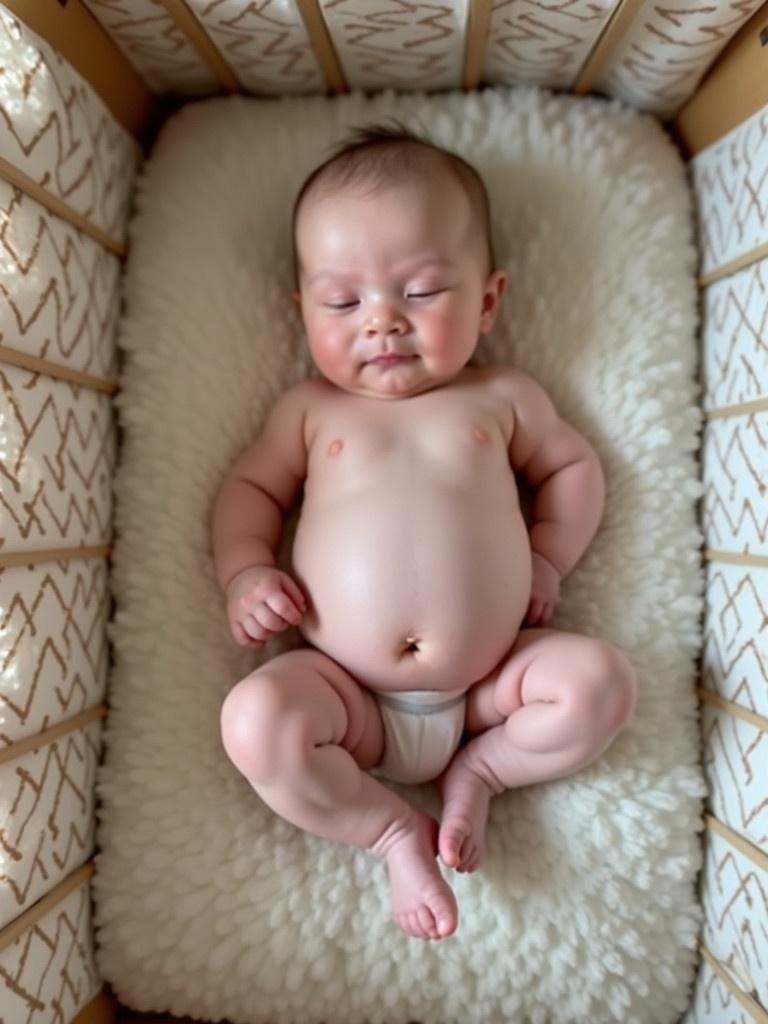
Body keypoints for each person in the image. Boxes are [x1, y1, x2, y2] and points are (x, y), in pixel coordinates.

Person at [212, 125, 637, 942]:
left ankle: (481, 772)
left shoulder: (501, 395)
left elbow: (573, 470)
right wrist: (244, 572)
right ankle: (388, 830)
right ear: (301, 311)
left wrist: (549, 557)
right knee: (256, 721)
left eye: (420, 292)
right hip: (347, 694)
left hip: (491, 689)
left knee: (601, 685)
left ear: (486, 300)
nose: (382, 323)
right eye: (343, 302)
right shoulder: (311, 411)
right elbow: (251, 489)